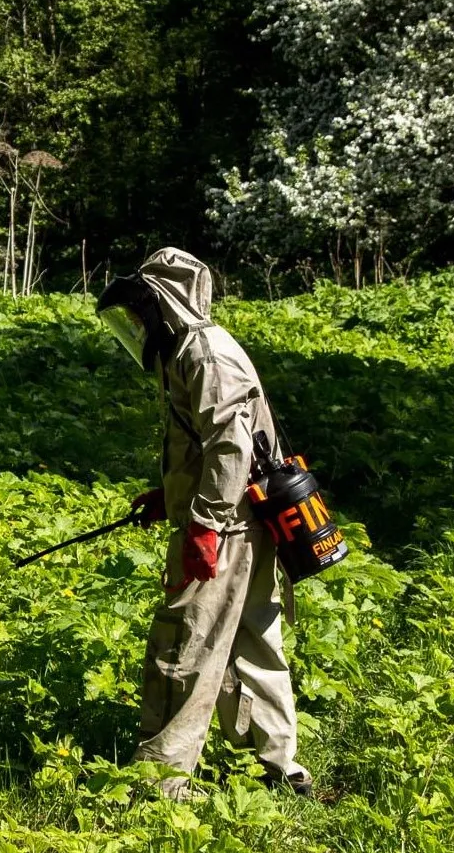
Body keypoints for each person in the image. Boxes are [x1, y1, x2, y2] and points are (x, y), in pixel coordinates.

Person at [95, 247, 312, 801]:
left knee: (184, 643)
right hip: (237, 520)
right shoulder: (191, 350)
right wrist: (168, 496)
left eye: (140, 313)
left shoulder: (206, 354)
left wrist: (204, 526)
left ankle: (159, 781)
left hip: (228, 527)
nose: (136, 326)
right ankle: (277, 769)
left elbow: (231, 447)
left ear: (163, 303)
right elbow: (207, 444)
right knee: (251, 642)